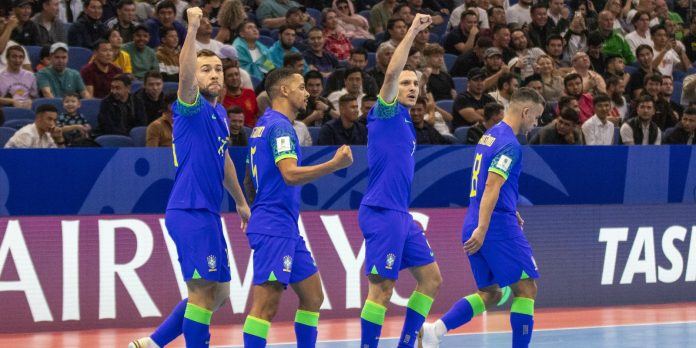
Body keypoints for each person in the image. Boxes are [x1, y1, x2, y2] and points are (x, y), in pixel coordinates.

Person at [129, 7, 251, 348]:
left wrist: (241, 202)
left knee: (221, 293)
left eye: (217, 69)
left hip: (209, 213)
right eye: (205, 69)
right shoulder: (190, 106)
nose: (214, 74)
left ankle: (152, 344)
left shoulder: (220, 113)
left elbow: (223, 156)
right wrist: (193, 27)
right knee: (200, 294)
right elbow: (184, 75)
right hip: (190, 209)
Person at [420, 88, 545, 348]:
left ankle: (435, 332)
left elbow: (492, 185)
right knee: (526, 289)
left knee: (490, 292)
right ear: (525, 112)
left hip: (476, 218)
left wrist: (508, 208)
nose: (536, 124)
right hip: (493, 226)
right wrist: (484, 227)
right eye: (536, 117)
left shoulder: (490, 135)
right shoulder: (510, 145)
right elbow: (490, 186)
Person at [241, 67, 353, 347]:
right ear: (284, 90)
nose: (308, 93)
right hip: (274, 225)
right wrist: (334, 165)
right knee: (265, 307)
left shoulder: (263, 125)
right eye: (302, 87)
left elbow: (249, 179)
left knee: (313, 296)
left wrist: (256, 210)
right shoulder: (280, 126)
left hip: (282, 224)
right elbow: (289, 174)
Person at [358, 13, 442, 348]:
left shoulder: (407, 122)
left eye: (414, 84)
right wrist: (413, 31)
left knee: (431, 279)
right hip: (380, 212)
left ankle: (408, 342)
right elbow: (392, 71)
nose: (410, 88)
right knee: (381, 290)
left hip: (400, 215)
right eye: (405, 84)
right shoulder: (386, 112)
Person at [222, 63, 259, 127]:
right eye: (230, 76)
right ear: (224, 79)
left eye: (236, 74)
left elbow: (256, 116)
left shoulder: (250, 93)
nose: (234, 78)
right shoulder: (222, 98)